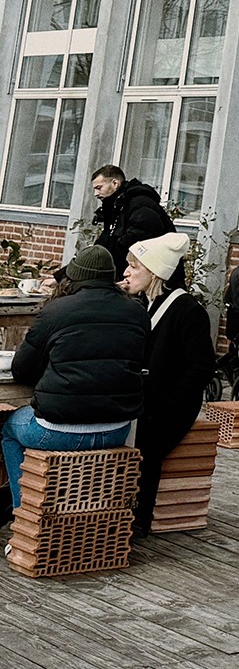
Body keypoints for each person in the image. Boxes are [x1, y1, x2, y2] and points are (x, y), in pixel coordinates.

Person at [1, 245, 148, 517]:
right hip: (117, 428)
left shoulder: (56, 310)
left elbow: (22, 370)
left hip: (56, 430)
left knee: (8, 429)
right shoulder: (137, 312)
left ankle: (24, 514)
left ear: (75, 276)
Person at [123, 231, 215, 537]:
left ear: (154, 272)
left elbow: (200, 368)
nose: (126, 272)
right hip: (145, 399)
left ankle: (139, 518)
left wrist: (167, 406)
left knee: (147, 444)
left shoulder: (187, 311)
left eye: (134, 266)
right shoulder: (144, 303)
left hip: (170, 404)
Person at [89, 166, 175, 278]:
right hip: (135, 276)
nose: (96, 194)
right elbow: (106, 241)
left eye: (99, 188)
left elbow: (134, 242)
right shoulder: (116, 206)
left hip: (152, 279)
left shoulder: (139, 204)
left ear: (115, 183)